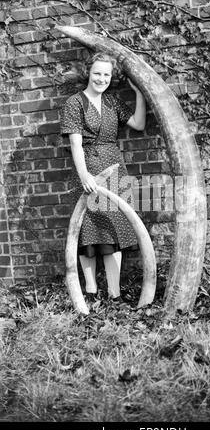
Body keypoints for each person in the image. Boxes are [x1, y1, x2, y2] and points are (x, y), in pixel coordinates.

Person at [60, 52, 146, 302]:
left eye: (106, 74)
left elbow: (139, 124)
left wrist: (139, 93)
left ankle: (115, 294)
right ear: (89, 72)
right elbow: (75, 144)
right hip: (88, 168)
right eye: (97, 73)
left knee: (114, 229)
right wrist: (84, 173)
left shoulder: (113, 101)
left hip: (115, 168)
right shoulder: (75, 103)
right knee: (88, 230)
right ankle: (90, 290)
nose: (101, 78)